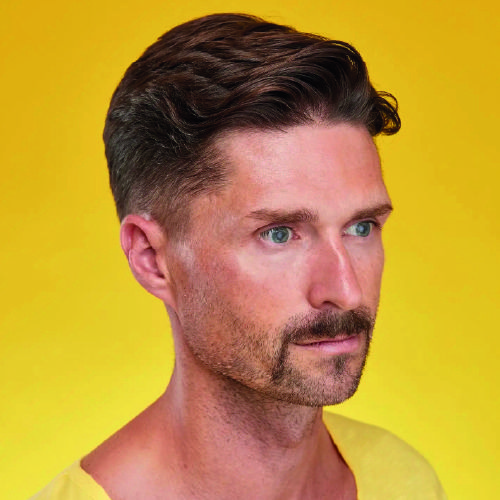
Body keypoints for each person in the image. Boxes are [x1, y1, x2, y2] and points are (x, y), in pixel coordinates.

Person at [31, 13, 446, 500]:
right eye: (279, 234)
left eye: (361, 227)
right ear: (152, 258)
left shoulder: (404, 479)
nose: (346, 290)